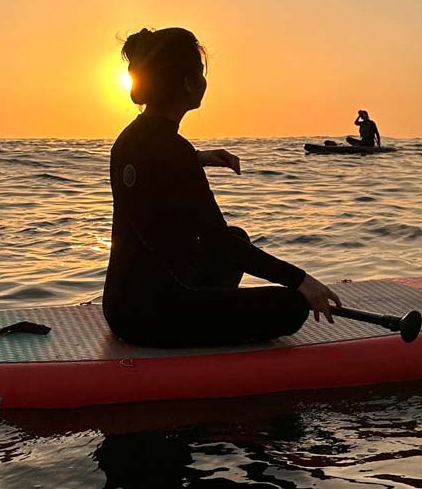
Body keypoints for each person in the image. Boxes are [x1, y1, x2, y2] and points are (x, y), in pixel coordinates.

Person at [102, 27, 340, 347]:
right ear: (187, 83)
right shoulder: (175, 153)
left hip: (120, 305)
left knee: (238, 239)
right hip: (152, 318)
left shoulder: (129, 139)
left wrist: (197, 158)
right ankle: (208, 316)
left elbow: (154, 171)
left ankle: (210, 309)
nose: (204, 81)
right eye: (199, 73)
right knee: (291, 306)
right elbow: (220, 241)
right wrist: (301, 281)